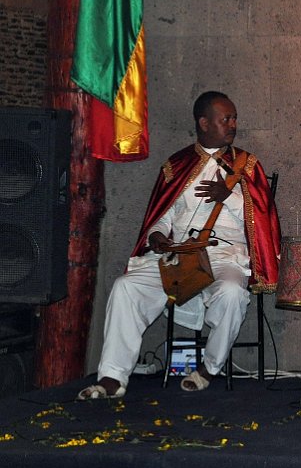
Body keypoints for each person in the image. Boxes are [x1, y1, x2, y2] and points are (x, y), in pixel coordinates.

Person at [78, 91, 281, 399]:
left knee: (232, 293)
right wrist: (157, 236)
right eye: (226, 119)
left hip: (225, 255)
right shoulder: (177, 165)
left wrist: (229, 197)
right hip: (181, 256)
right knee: (125, 287)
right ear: (204, 123)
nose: (233, 125)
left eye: (234, 119)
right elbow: (163, 217)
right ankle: (112, 378)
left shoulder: (247, 166)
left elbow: (263, 222)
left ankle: (209, 368)